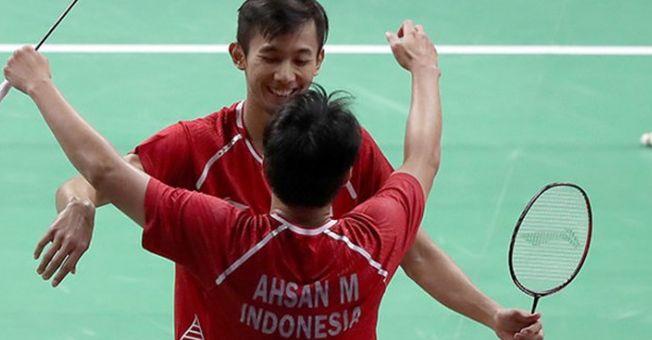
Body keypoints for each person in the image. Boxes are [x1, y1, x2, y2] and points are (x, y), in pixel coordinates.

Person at [27, 1, 543, 339]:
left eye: (300, 59)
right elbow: (93, 182)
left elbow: (106, 172)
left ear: (320, 60)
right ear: (239, 56)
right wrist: (79, 204)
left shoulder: (236, 223)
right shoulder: (198, 145)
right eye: (271, 57)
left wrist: (490, 313)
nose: (286, 75)